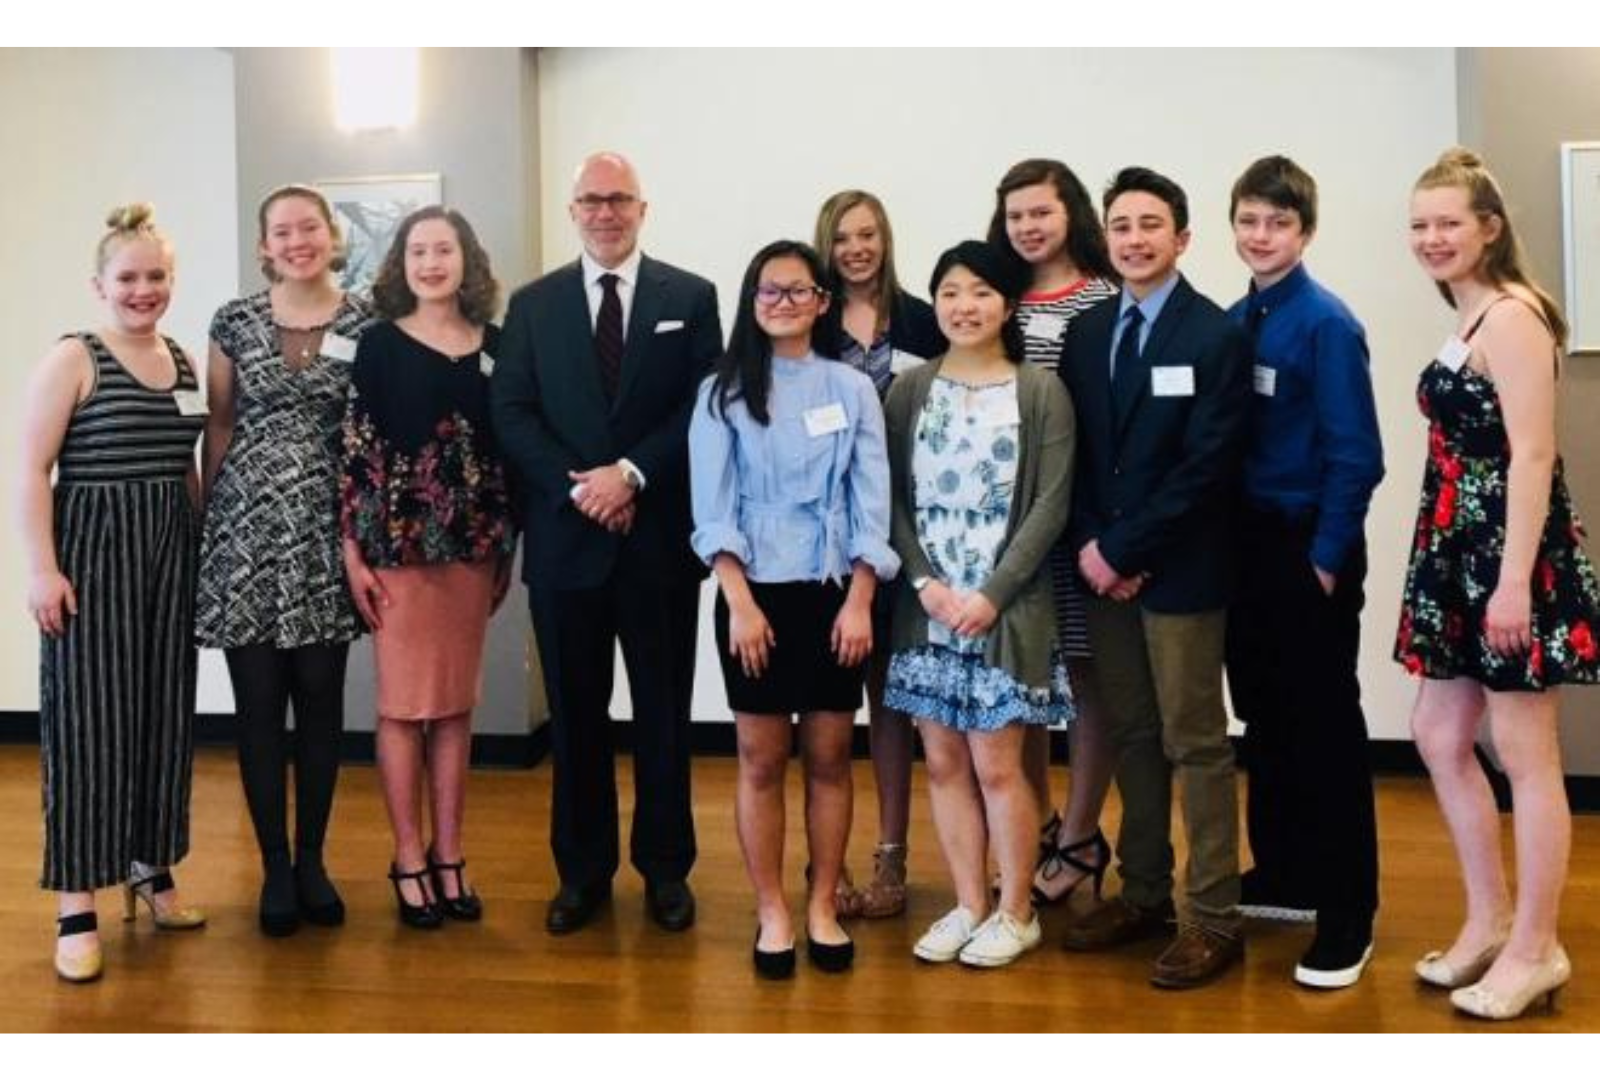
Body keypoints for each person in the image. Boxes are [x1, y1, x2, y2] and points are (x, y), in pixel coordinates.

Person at [492, 151, 723, 935]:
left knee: (663, 716)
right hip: (566, 547)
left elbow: (702, 404)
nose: (605, 212)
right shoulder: (533, 305)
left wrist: (629, 475)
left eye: (619, 199)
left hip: (657, 545)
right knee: (575, 719)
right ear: (573, 211)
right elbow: (512, 411)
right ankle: (582, 873)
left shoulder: (690, 297)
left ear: (642, 208)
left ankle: (667, 869)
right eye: (591, 200)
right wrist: (582, 489)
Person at [1397, 148, 1599, 1020]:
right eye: (1419, 225)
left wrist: (1514, 582)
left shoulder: (1514, 314)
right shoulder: (1470, 312)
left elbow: (1534, 453)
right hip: (1455, 549)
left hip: (1505, 559)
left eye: (1448, 222)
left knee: (1525, 751)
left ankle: (1537, 948)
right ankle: (1490, 920)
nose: (1431, 238)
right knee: (1439, 732)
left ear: (1489, 227)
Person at [1057, 167, 1252, 989]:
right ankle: (1144, 895)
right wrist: (1096, 548)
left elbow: (1208, 466)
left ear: (1182, 238)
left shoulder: (1215, 335)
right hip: (1105, 573)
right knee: (1133, 734)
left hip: (1180, 573)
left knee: (1195, 743)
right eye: (1121, 225)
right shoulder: (1088, 331)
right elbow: (1075, 454)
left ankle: (1213, 917)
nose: (1134, 239)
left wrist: (1126, 551)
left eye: (1150, 225)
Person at [690, 239, 897, 977]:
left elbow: (872, 501)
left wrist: (861, 600)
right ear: (752, 302)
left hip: (835, 593)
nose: (783, 302)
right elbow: (711, 510)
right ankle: (773, 908)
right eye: (769, 291)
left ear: (821, 301)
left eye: (797, 290)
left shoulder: (852, 388)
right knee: (760, 759)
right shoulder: (721, 392)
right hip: (754, 593)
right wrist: (740, 602)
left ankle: (822, 904)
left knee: (832, 757)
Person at [19, 204, 208, 982]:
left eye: (156, 275)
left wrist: (202, 554)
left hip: (171, 560)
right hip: (93, 564)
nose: (143, 289)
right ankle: (76, 905)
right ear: (100, 285)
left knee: (163, 717)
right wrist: (42, 568)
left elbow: (187, 470)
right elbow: (30, 470)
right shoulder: (74, 357)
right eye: (128, 277)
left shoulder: (184, 362)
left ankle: (151, 867)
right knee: (89, 727)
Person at [883, 240, 1075, 969]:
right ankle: (968, 902)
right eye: (950, 292)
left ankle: (1016, 910)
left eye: (981, 292)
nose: (964, 306)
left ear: (1008, 304)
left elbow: (1051, 505)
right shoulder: (909, 390)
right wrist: (925, 583)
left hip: (1006, 610)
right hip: (927, 607)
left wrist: (992, 596)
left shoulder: (1039, 392)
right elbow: (889, 498)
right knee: (943, 764)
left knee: (999, 766)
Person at [1221, 155, 1386, 989]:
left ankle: (1348, 913)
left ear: (1306, 231)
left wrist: (1322, 562)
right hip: (1246, 548)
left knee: (1324, 730)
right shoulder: (1235, 319)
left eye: (1278, 223)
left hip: (1306, 547)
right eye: (1249, 220)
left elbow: (1358, 456)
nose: (1262, 235)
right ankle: (1285, 872)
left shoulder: (1325, 323)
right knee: (1266, 719)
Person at [199, 184, 376, 936]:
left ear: (331, 235)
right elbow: (220, 423)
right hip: (245, 532)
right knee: (260, 705)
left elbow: (371, 432)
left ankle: (312, 860)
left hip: (328, 532)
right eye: (283, 231)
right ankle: (274, 865)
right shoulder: (233, 319)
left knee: (322, 699)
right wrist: (207, 525)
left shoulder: (368, 320)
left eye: (309, 227)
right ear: (264, 246)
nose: (298, 241)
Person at [340, 207, 517, 930]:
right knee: (403, 707)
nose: (431, 263)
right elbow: (355, 451)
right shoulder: (377, 345)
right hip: (399, 547)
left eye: (444, 249)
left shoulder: (498, 344)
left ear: (467, 259)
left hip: (476, 546)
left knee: (453, 707)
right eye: (418, 251)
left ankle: (450, 853)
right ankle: (408, 855)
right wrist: (351, 552)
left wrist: (508, 544)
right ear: (401, 263)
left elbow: (510, 447)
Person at [987, 158, 1120, 907]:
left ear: (1071, 212)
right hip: (1009, 531)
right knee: (1024, 681)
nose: (1028, 226)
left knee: (1088, 677)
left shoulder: (1104, 297)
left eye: (1041, 211)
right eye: (1016, 215)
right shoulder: (998, 298)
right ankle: (1034, 827)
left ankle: (1079, 835)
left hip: (1079, 524)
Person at [811, 190, 944, 920]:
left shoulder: (924, 319)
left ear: (885, 239)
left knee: (895, 699)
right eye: (842, 237)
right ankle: (825, 858)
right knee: (831, 702)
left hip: (913, 530)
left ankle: (892, 856)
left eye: (868, 234)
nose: (856, 249)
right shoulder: (809, 324)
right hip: (827, 538)